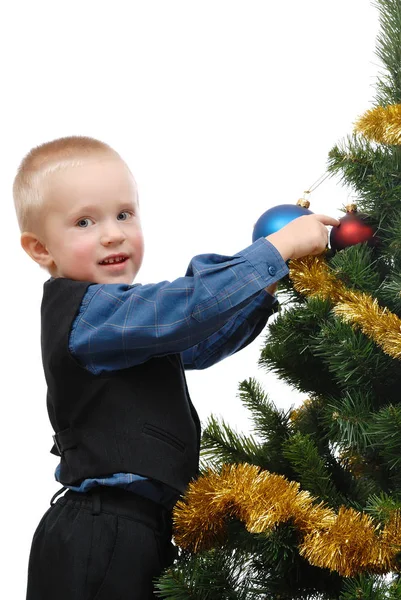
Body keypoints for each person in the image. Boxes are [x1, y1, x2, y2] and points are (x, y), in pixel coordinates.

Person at [14, 135, 339, 600]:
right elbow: (187, 309)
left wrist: (264, 288)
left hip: (139, 529)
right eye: (84, 221)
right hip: (100, 532)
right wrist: (274, 250)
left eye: (124, 214)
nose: (112, 233)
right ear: (41, 249)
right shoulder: (91, 314)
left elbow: (198, 342)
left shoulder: (126, 328)